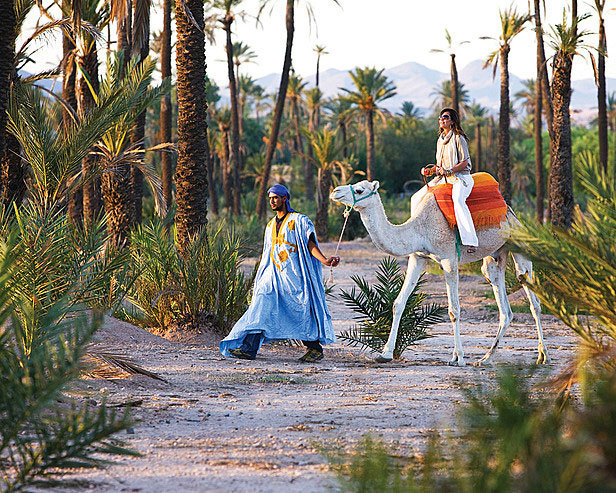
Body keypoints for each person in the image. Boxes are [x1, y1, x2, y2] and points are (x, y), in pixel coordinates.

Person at [219, 184, 340, 363]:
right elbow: (268, 252)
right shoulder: (269, 226)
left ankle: (314, 348)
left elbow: (310, 244)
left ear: (284, 198)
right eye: (270, 198)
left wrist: (324, 260)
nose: (272, 201)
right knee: (261, 304)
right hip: (272, 276)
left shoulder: (299, 220)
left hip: (294, 276)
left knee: (299, 309)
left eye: (275, 197)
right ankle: (249, 349)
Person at [410, 107, 478, 253]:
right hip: (443, 178)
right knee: (415, 198)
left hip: (460, 178)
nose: (442, 119)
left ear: (452, 121)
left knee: (458, 200)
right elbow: (439, 166)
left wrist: (449, 171)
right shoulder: (440, 141)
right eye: (440, 117)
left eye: (445, 117)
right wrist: (430, 171)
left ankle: (471, 241)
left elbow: (465, 163)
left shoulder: (459, 138)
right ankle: (416, 235)